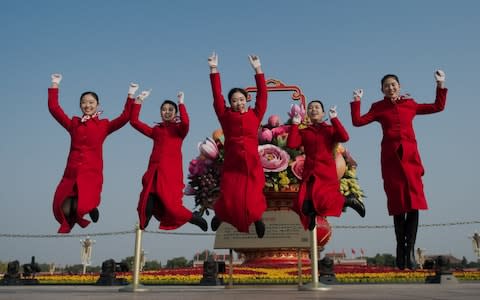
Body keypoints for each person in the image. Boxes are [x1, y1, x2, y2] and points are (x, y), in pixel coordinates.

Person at [350, 70, 448, 270]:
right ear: (382, 90)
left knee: (414, 203)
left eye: (393, 84)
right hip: (391, 159)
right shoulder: (378, 107)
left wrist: (440, 84)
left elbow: (438, 106)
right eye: (386, 85)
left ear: (399, 86)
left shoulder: (409, 104)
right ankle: (399, 252)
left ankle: (410, 252)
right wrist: (357, 100)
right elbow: (357, 122)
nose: (390, 88)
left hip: (411, 159)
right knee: (398, 205)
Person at [48, 74, 135, 233]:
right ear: (80, 105)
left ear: (97, 104)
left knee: (81, 205)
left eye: (91, 102)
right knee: (63, 209)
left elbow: (125, 117)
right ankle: (87, 210)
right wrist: (55, 84)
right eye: (84, 102)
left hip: (91, 172)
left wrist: (130, 95)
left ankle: (90, 208)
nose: (87, 105)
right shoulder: (74, 124)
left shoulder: (104, 125)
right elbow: (54, 109)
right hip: (71, 173)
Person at [208, 52, 267, 238]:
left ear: (246, 100)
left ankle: (257, 219)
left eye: (241, 99)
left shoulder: (255, 114)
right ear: (230, 103)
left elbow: (263, 95)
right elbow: (217, 97)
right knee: (229, 194)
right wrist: (213, 69)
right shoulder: (225, 116)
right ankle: (221, 216)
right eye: (234, 100)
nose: (238, 102)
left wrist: (258, 69)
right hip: (233, 164)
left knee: (253, 195)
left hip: (251, 164)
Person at [130, 90, 207, 231]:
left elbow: (186, 123)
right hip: (153, 174)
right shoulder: (156, 130)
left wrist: (181, 103)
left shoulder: (179, 131)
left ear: (175, 112)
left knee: (172, 207)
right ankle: (144, 221)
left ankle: (194, 218)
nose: (166, 112)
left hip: (170, 174)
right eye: (163, 110)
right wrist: (138, 101)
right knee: (145, 205)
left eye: (170, 110)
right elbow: (134, 122)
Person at [287, 101, 365, 231]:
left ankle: (349, 200)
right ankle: (312, 214)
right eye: (310, 108)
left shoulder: (329, 129)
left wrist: (334, 119)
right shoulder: (305, 131)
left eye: (317, 107)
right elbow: (291, 144)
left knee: (326, 201)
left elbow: (344, 137)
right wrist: (295, 125)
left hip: (325, 172)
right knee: (302, 205)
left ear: (323, 113)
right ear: (307, 114)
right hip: (310, 173)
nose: (313, 110)